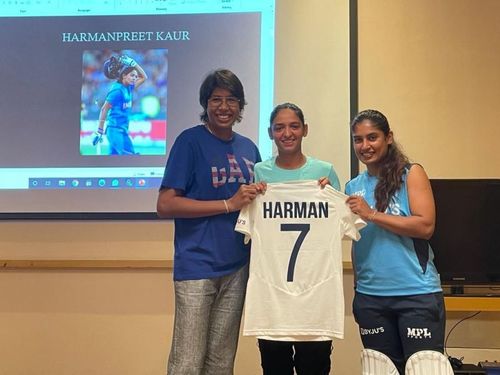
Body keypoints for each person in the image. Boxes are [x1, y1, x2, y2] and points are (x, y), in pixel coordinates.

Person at [236, 103, 363, 375]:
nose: (287, 133)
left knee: (314, 368)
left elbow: (341, 221)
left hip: (315, 301)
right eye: (279, 127)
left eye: (294, 126)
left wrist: (330, 195)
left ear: (305, 130)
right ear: (271, 133)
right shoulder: (260, 173)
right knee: (274, 368)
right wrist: (253, 194)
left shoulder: (325, 172)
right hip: (273, 301)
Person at [156, 69, 262, 374]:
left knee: (220, 362)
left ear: (241, 106)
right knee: (187, 362)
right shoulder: (189, 142)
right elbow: (165, 204)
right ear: (206, 103)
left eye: (231, 100)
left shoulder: (249, 148)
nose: (224, 106)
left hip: (237, 266)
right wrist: (228, 204)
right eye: (216, 99)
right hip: (197, 265)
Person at [345, 109, 445, 374]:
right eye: (358, 139)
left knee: (424, 369)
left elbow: (425, 226)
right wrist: (357, 288)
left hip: (416, 295)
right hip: (371, 299)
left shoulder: (412, 174)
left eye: (372, 137)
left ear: (388, 137)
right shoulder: (352, 186)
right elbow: (357, 241)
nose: (364, 146)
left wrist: (372, 214)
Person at [92, 55, 148, 155]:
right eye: (132, 75)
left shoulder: (129, 88)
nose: (135, 78)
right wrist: (99, 131)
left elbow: (144, 77)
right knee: (129, 157)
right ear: (124, 76)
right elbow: (104, 109)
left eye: (135, 76)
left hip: (123, 131)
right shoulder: (117, 90)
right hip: (114, 131)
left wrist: (133, 63)